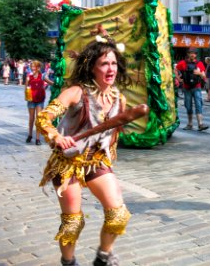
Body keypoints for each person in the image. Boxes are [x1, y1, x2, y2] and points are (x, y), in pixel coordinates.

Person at [36, 37, 137, 265]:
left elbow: (111, 135)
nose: (110, 68)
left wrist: (107, 158)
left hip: (96, 162)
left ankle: (103, 256)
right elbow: (44, 118)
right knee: (73, 222)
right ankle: (68, 262)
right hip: (67, 163)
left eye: (113, 63)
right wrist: (56, 136)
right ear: (92, 66)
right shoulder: (76, 92)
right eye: (104, 63)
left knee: (118, 214)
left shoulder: (117, 98)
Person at [176, 47, 209, 131]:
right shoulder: (183, 63)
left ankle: (200, 124)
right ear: (188, 54)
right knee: (188, 106)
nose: (192, 54)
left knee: (198, 105)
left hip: (197, 87)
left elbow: (204, 76)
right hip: (187, 88)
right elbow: (175, 69)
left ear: (196, 55)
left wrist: (199, 73)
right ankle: (190, 124)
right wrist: (178, 79)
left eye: (193, 53)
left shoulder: (199, 63)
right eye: (190, 53)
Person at [25, 60, 46, 145]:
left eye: (34, 66)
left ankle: (37, 138)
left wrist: (59, 84)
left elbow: (51, 83)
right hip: (31, 99)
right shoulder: (29, 76)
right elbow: (26, 87)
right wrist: (26, 96)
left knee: (39, 118)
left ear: (38, 67)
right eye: (31, 66)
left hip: (40, 99)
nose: (32, 68)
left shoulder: (42, 76)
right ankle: (30, 135)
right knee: (31, 118)